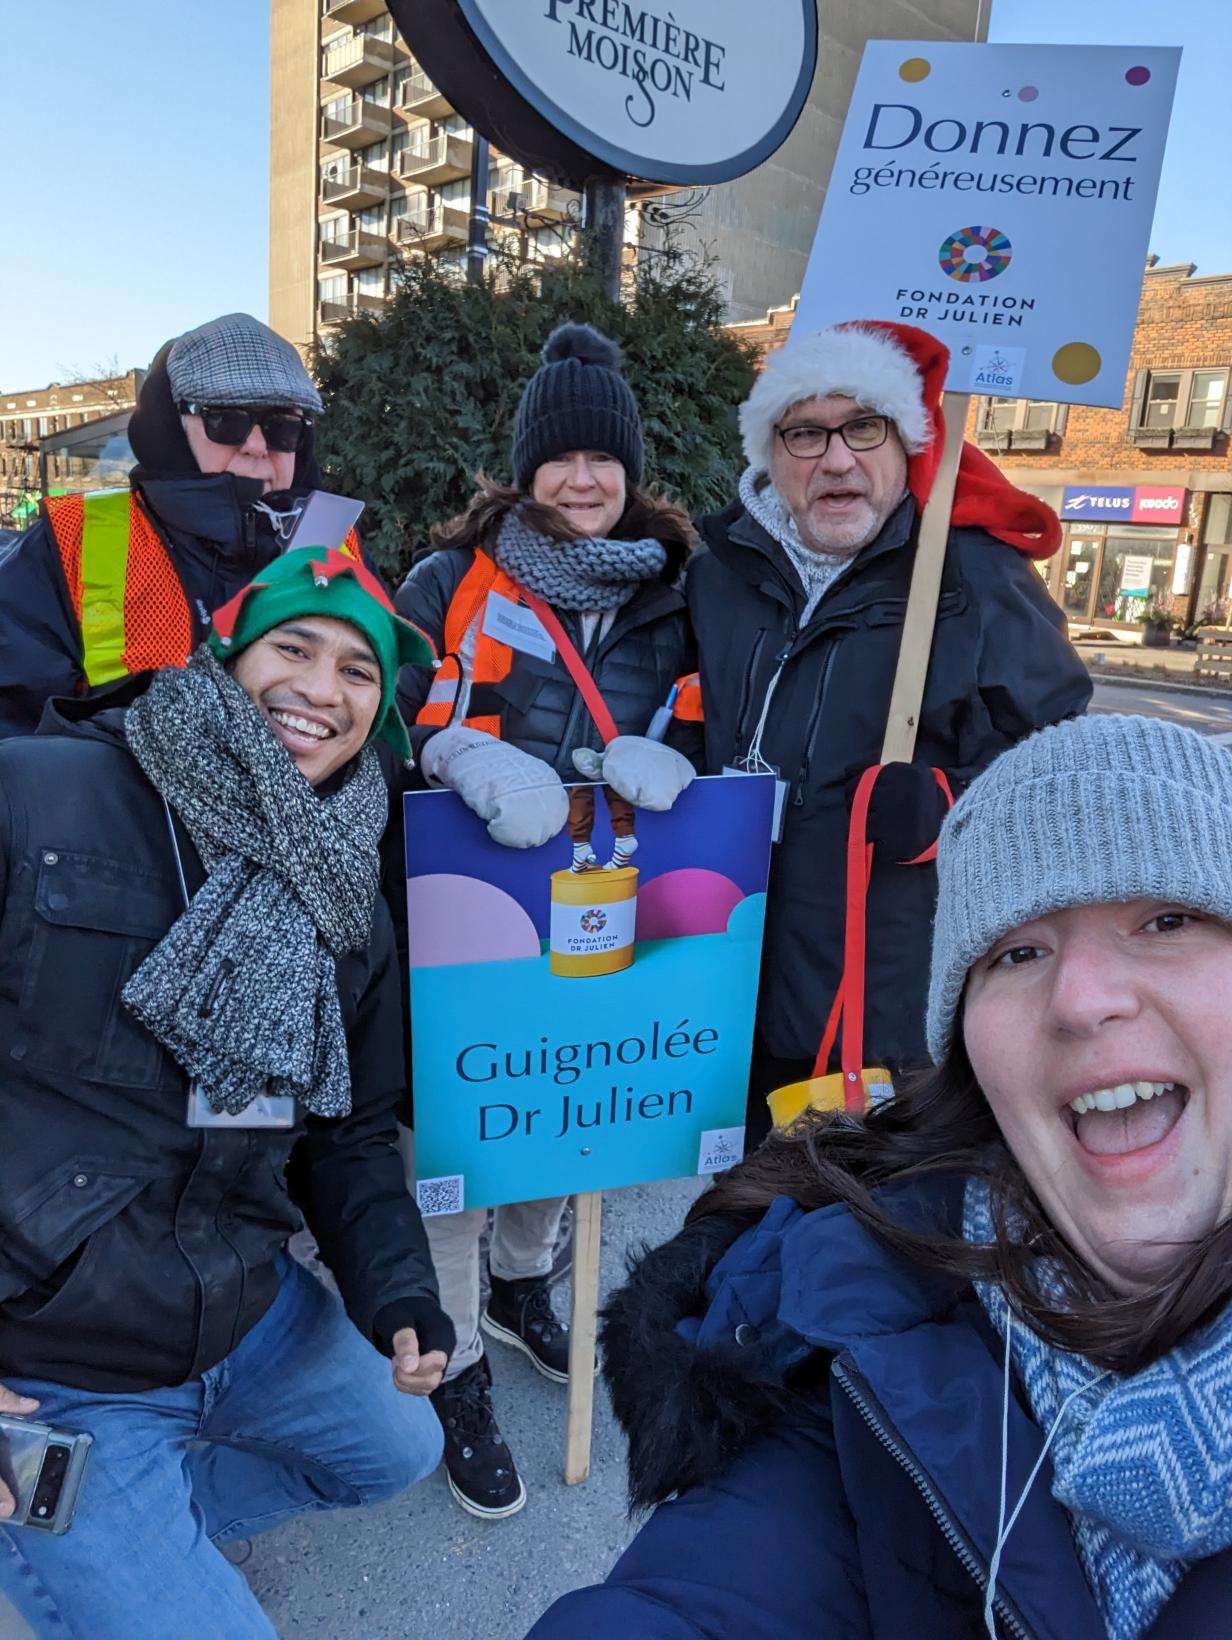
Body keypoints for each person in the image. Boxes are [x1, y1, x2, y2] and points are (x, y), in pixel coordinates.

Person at [528, 712, 1232, 1637]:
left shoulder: (992, 605)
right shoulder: (858, 1328)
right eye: (1017, 951)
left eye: (1167, 918)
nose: (1082, 999)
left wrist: (935, 791)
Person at [0, 548, 453, 1639]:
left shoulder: (348, 888)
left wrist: (398, 1296)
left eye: (358, 671)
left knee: (402, 1447)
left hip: (234, 1300)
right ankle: (80, 1546)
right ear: (223, 660)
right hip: (51, 1349)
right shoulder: (41, 790)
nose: (321, 688)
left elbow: (345, 1134)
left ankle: (132, 1542)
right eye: (292, 647)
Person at [394, 322, 697, 1520]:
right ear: (523, 470)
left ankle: (528, 1288)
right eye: (559, 458)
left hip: (612, 901)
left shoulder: (674, 592)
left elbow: (703, 717)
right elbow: (396, 709)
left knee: (567, 1114)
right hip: (471, 906)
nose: (581, 479)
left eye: (601, 460)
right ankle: (455, 1360)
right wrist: (458, 752)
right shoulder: (448, 578)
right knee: (469, 1138)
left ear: (630, 470)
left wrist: (674, 759)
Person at [688, 320, 1092, 1148]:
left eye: (862, 427)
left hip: (892, 1013)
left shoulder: (974, 578)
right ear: (772, 452)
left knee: (870, 1244)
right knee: (744, 1235)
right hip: (733, 985)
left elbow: (1066, 771)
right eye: (805, 432)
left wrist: (951, 802)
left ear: (902, 442)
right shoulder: (718, 575)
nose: (835, 459)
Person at [0, 311, 364, 737]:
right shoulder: (74, 538)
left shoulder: (340, 543)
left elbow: (376, 704)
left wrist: (432, 748)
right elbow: (13, 727)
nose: (256, 445)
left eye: (283, 426)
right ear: (170, 428)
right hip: (115, 800)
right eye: (226, 420)